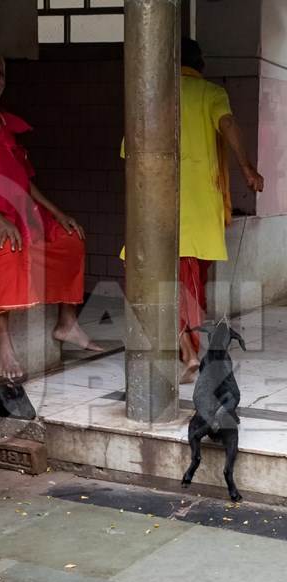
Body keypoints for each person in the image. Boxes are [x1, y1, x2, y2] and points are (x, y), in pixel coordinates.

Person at [120, 38, 264, 383]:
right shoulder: (211, 93)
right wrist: (246, 167)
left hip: (161, 205)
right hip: (203, 206)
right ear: (200, 65)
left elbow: (130, 151)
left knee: (166, 280)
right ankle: (189, 352)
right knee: (191, 281)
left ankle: (189, 352)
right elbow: (228, 124)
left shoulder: (153, 99)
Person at [0, 45, 102, 381]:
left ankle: (67, 322)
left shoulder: (5, 123)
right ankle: (2, 342)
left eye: (0, 74)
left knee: (70, 238)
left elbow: (26, 183)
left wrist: (58, 212)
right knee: (6, 246)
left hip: (21, 211)